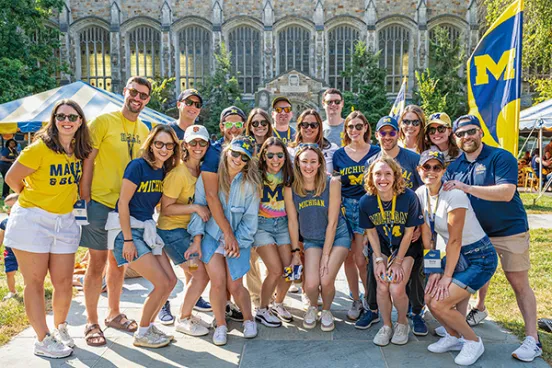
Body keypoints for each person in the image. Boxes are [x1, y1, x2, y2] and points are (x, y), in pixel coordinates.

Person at [444, 115, 542, 362]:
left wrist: (465, 188)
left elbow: (507, 192)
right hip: (474, 235)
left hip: (509, 230)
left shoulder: (500, 157)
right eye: (461, 133)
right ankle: (458, 333)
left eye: (471, 131)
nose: (467, 136)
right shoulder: (455, 166)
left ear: (480, 133)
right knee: (466, 282)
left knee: (518, 282)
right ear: (455, 138)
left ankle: (533, 339)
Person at [4, 99, 92, 358]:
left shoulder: (78, 149)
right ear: (54, 120)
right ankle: (42, 339)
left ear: (79, 122)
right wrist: (31, 198)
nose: (67, 121)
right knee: (35, 282)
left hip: (65, 220)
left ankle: (60, 328)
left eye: (73, 117)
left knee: (64, 282)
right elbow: (11, 178)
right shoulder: (38, 149)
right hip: (33, 220)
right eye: (61, 116)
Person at [80, 76, 152, 347]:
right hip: (100, 202)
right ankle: (91, 321)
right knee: (96, 263)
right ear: (124, 92)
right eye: (134, 92)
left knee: (118, 262)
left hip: (127, 206)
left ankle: (113, 313)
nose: (138, 98)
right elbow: (88, 160)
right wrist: (84, 196)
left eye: (144, 95)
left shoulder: (145, 129)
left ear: (147, 100)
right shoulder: (102, 122)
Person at [415, 149, 498, 365]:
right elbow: (427, 237)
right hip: (458, 255)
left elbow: (454, 240)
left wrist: (445, 276)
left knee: (440, 302)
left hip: (480, 257)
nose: (431, 172)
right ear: (419, 169)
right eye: (427, 167)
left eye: (436, 167)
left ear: (444, 170)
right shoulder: (420, 194)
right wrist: (433, 271)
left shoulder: (455, 195)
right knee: (429, 298)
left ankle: (472, 341)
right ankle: (453, 336)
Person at [107, 124, 180, 349]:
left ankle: (149, 326)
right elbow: (123, 203)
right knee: (160, 283)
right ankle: (142, 332)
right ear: (151, 144)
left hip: (147, 228)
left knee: (171, 281)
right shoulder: (138, 166)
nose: (164, 148)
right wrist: (128, 240)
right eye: (159, 143)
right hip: (126, 230)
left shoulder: (164, 171)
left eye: (169, 145)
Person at [187, 137, 261, 346]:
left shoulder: (251, 185)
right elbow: (199, 208)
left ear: (248, 161)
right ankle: (220, 324)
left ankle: (249, 319)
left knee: (235, 284)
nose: (238, 159)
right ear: (227, 151)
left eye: (244, 157)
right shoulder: (210, 177)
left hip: (238, 240)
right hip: (211, 236)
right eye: (235, 153)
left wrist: (238, 242)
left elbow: (250, 218)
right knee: (218, 282)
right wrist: (196, 239)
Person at [361, 116, 427, 335]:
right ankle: (384, 323)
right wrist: (378, 257)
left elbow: (422, 194)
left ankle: (408, 319)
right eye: (378, 174)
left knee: (401, 283)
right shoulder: (368, 195)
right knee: (381, 284)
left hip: (408, 239)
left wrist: (418, 224)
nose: (382, 178)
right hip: (383, 242)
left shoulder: (409, 183)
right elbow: (370, 227)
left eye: (388, 174)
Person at [284, 145, 351, 332]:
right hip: (312, 239)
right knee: (312, 283)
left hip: (337, 236)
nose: (308, 166)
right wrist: (296, 252)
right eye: (304, 161)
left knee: (326, 279)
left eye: (313, 161)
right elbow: (292, 222)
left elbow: (332, 222)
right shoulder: (291, 188)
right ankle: (313, 307)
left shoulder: (332, 183)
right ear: (297, 162)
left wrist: (326, 255)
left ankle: (327, 310)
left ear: (320, 162)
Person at [156, 125, 211, 336]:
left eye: (202, 142)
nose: (198, 147)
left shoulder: (201, 171)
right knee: (200, 274)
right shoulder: (178, 173)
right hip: (171, 231)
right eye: (193, 142)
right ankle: (184, 318)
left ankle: (188, 312)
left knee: (194, 274)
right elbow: (166, 209)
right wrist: (195, 207)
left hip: (188, 230)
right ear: (185, 145)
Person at [201, 106, 247, 322]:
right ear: (221, 127)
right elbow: (211, 196)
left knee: (235, 274)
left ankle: (231, 306)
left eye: (238, 123)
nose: (234, 128)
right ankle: (220, 309)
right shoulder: (214, 152)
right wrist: (227, 232)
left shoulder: (249, 150)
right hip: (215, 222)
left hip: (242, 220)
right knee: (216, 276)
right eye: (229, 123)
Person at [332, 111, 380, 321]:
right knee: (349, 256)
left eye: (358, 126)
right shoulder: (339, 155)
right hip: (344, 207)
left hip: (366, 207)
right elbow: (336, 185)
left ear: (366, 128)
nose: (354, 131)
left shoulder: (376, 152)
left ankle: (371, 299)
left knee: (361, 258)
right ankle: (356, 299)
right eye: (350, 127)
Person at [253, 137, 296, 327]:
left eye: (280, 155)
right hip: (262, 225)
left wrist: (295, 249)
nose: (275, 159)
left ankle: (278, 303)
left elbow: (291, 212)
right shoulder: (256, 175)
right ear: (263, 156)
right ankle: (262, 309)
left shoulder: (288, 176)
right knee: (275, 269)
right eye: (270, 155)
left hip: (283, 224)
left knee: (289, 271)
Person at [1, 193, 19, 301]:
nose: (8, 210)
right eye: (6, 207)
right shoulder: (5, 222)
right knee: (9, 272)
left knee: (29, 273)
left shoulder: (25, 221)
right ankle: (12, 291)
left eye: (11, 207)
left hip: (25, 250)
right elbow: (1, 236)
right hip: (10, 251)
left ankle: (31, 289)